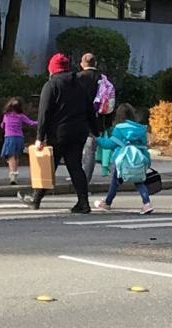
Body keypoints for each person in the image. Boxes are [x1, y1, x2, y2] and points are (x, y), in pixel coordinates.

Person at [24, 52, 99, 213]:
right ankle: (83, 202)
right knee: (75, 167)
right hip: (79, 132)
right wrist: (95, 130)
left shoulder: (51, 86)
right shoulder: (80, 84)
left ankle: (35, 199)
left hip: (58, 133)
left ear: (52, 69)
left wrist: (39, 137)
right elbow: (89, 109)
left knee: (48, 167)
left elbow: (43, 113)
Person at [94, 104, 154, 214]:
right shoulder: (140, 129)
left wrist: (96, 138)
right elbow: (145, 145)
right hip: (139, 160)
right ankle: (147, 204)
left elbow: (108, 144)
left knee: (115, 182)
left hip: (122, 161)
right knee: (139, 182)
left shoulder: (119, 129)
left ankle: (107, 203)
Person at [76, 53, 110, 183]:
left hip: (79, 120)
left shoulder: (77, 78)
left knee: (78, 149)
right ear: (95, 64)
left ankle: (77, 176)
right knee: (90, 151)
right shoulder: (103, 79)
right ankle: (85, 180)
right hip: (97, 121)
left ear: (82, 64)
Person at [0, 97, 37, 184]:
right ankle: (14, 175)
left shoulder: (6, 116)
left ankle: (12, 176)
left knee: (10, 157)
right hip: (19, 138)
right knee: (16, 156)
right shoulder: (21, 116)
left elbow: (3, 126)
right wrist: (41, 122)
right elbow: (31, 123)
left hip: (9, 138)